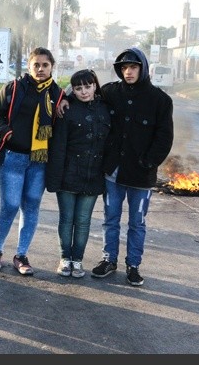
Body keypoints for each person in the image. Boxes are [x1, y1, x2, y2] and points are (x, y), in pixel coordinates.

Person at [61, 48, 173, 286]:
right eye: (124, 68)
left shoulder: (160, 100)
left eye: (133, 67)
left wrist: (148, 162)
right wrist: (64, 99)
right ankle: (108, 259)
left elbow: (164, 138)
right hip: (113, 171)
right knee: (110, 219)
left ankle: (133, 265)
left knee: (137, 222)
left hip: (141, 175)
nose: (128, 72)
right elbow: (84, 92)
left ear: (143, 68)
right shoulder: (111, 92)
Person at [0, 47, 65, 276]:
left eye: (45, 65)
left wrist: (65, 104)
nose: (40, 69)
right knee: (9, 205)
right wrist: (6, 132)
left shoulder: (58, 95)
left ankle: (21, 255)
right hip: (13, 157)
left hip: (40, 161)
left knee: (31, 207)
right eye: (36, 65)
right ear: (29, 66)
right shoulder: (15, 87)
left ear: (52, 67)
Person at [45, 69, 110, 278]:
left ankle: (78, 260)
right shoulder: (67, 110)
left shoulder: (105, 109)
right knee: (66, 219)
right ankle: (65, 259)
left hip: (93, 176)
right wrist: (54, 179)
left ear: (95, 86)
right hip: (68, 175)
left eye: (88, 86)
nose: (84, 92)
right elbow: (58, 147)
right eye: (78, 88)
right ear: (72, 89)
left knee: (83, 221)